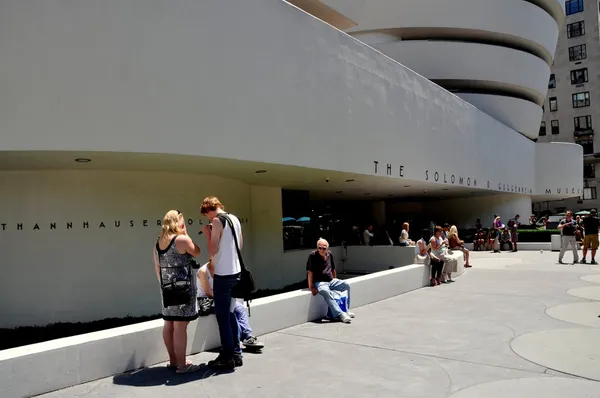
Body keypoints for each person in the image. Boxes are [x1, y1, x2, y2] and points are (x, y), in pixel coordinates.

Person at [153, 210, 202, 374]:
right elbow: (197, 251)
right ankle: (182, 366)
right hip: (183, 287)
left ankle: (173, 361)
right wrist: (186, 233)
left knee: (169, 324)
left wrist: (164, 285)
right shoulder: (182, 239)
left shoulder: (158, 243)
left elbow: (157, 267)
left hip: (166, 288)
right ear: (178, 222)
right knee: (181, 326)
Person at [200, 196, 243, 369]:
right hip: (236, 273)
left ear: (208, 209)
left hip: (223, 275)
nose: (208, 219)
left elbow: (212, 249)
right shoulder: (234, 219)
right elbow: (239, 245)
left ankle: (227, 356)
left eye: (207, 215)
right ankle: (236, 354)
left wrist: (208, 233)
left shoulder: (217, 221)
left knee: (222, 316)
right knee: (231, 313)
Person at [197, 256, 264, 350]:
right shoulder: (203, 271)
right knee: (230, 314)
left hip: (221, 298)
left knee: (240, 308)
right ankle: (239, 340)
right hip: (207, 301)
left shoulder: (221, 271)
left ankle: (248, 337)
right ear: (210, 257)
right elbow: (208, 292)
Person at [307, 238, 355, 323]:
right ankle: (341, 314)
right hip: (320, 282)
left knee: (346, 285)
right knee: (325, 291)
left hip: (331, 281)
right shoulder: (313, 255)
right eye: (319, 247)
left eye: (324, 248)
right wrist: (311, 287)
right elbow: (310, 272)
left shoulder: (329, 254)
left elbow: (333, 269)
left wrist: (335, 279)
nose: (321, 250)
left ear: (327, 249)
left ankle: (346, 310)